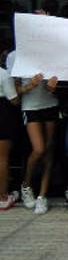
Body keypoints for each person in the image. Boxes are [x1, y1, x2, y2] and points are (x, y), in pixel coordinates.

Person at [14, 63, 59, 215]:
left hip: (50, 104)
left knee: (49, 149)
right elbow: (15, 91)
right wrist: (30, 85)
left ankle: (42, 195)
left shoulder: (51, 53)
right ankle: (26, 185)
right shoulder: (15, 57)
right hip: (30, 106)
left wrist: (52, 87)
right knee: (39, 149)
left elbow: (57, 85)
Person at [0, 55, 20, 210]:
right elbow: (13, 99)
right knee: (3, 158)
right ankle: (3, 196)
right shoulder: (4, 74)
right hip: (3, 114)